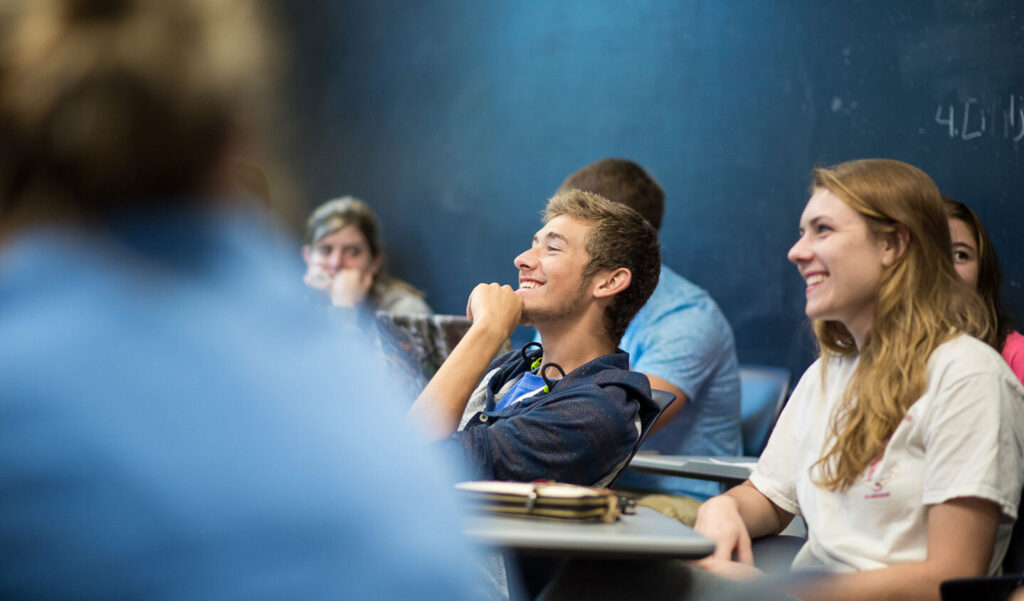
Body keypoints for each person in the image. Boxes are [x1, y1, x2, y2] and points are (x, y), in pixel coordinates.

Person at [0, 1, 480, 599]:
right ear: (239, 138)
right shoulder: (328, 367)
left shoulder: (23, 373)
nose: (333, 266)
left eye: (349, 253)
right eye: (324, 252)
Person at [541, 159, 1024, 601]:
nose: (797, 252)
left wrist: (787, 592)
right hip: (796, 587)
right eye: (801, 232)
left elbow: (951, 574)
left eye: (823, 230)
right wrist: (723, 511)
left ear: (892, 245)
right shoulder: (829, 373)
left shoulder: (969, 376)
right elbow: (768, 497)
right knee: (592, 573)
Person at [409, 189, 662, 487]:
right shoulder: (512, 369)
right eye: (533, 245)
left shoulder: (599, 412)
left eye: (552, 249)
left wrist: (488, 329)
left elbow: (411, 465)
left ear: (609, 282)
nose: (522, 260)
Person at [552, 157, 741, 503]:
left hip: (675, 497)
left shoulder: (687, 317)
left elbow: (614, 428)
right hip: (588, 482)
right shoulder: (567, 303)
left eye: (564, 239)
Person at [302, 196, 431, 316]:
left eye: (352, 252)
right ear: (307, 257)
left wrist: (344, 306)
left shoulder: (404, 310)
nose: (335, 263)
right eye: (325, 250)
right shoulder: (289, 303)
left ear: (375, 262)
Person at [944, 197, 1024, 384]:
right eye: (932, 255)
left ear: (982, 269)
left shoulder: (1016, 356)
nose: (945, 269)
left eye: (960, 255)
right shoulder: (887, 356)